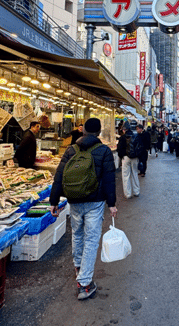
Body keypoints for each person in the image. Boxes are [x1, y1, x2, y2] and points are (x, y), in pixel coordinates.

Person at [50, 118, 117, 301]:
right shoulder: (104, 151)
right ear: (99, 132)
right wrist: (111, 204)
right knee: (91, 240)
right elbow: (109, 179)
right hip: (95, 202)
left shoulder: (71, 149)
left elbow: (59, 175)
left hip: (75, 200)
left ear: (84, 130)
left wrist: (54, 201)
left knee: (77, 235)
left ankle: (79, 268)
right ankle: (85, 284)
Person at [117, 121, 139, 198]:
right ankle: (136, 191)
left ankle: (128, 194)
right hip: (134, 158)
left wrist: (121, 156)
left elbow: (119, 149)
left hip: (125, 158)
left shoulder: (122, 137)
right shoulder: (135, 136)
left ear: (124, 130)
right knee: (135, 174)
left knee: (126, 176)